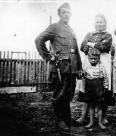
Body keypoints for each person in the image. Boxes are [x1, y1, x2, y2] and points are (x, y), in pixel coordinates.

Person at [35, 3, 82, 131]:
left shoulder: (71, 29)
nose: (66, 15)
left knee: (69, 95)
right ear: (59, 14)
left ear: (71, 14)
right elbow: (39, 40)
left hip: (72, 68)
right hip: (60, 68)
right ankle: (60, 120)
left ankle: (67, 118)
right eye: (63, 12)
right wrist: (48, 57)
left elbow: (76, 51)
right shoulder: (54, 27)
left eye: (68, 12)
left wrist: (80, 68)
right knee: (59, 95)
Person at [77, 13, 112, 125]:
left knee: (103, 89)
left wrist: (90, 44)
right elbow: (83, 47)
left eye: (101, 22)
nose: (99, 24)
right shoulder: (89, 34)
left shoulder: (108, 35)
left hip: (104, 63)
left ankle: (103, 117)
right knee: (87, 89)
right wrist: (96, 44)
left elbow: (105, 46)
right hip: (89, 63)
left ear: (105, 23)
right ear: (94, 23)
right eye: (97, 22)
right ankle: (83, 116)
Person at [82, 48, 109, 129]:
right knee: (91, 106)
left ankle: (100, 123)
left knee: (99, 107)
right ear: (88, 58)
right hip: (89, 88)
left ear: (99, 58)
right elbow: (83, 78)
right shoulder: (86, 67)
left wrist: (106, 87)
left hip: (98, 88)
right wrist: (82, 74)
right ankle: (91, 122)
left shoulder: (101, 67)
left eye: (95, 59)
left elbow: (105, 78)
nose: (93, 60)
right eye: (91, 58)